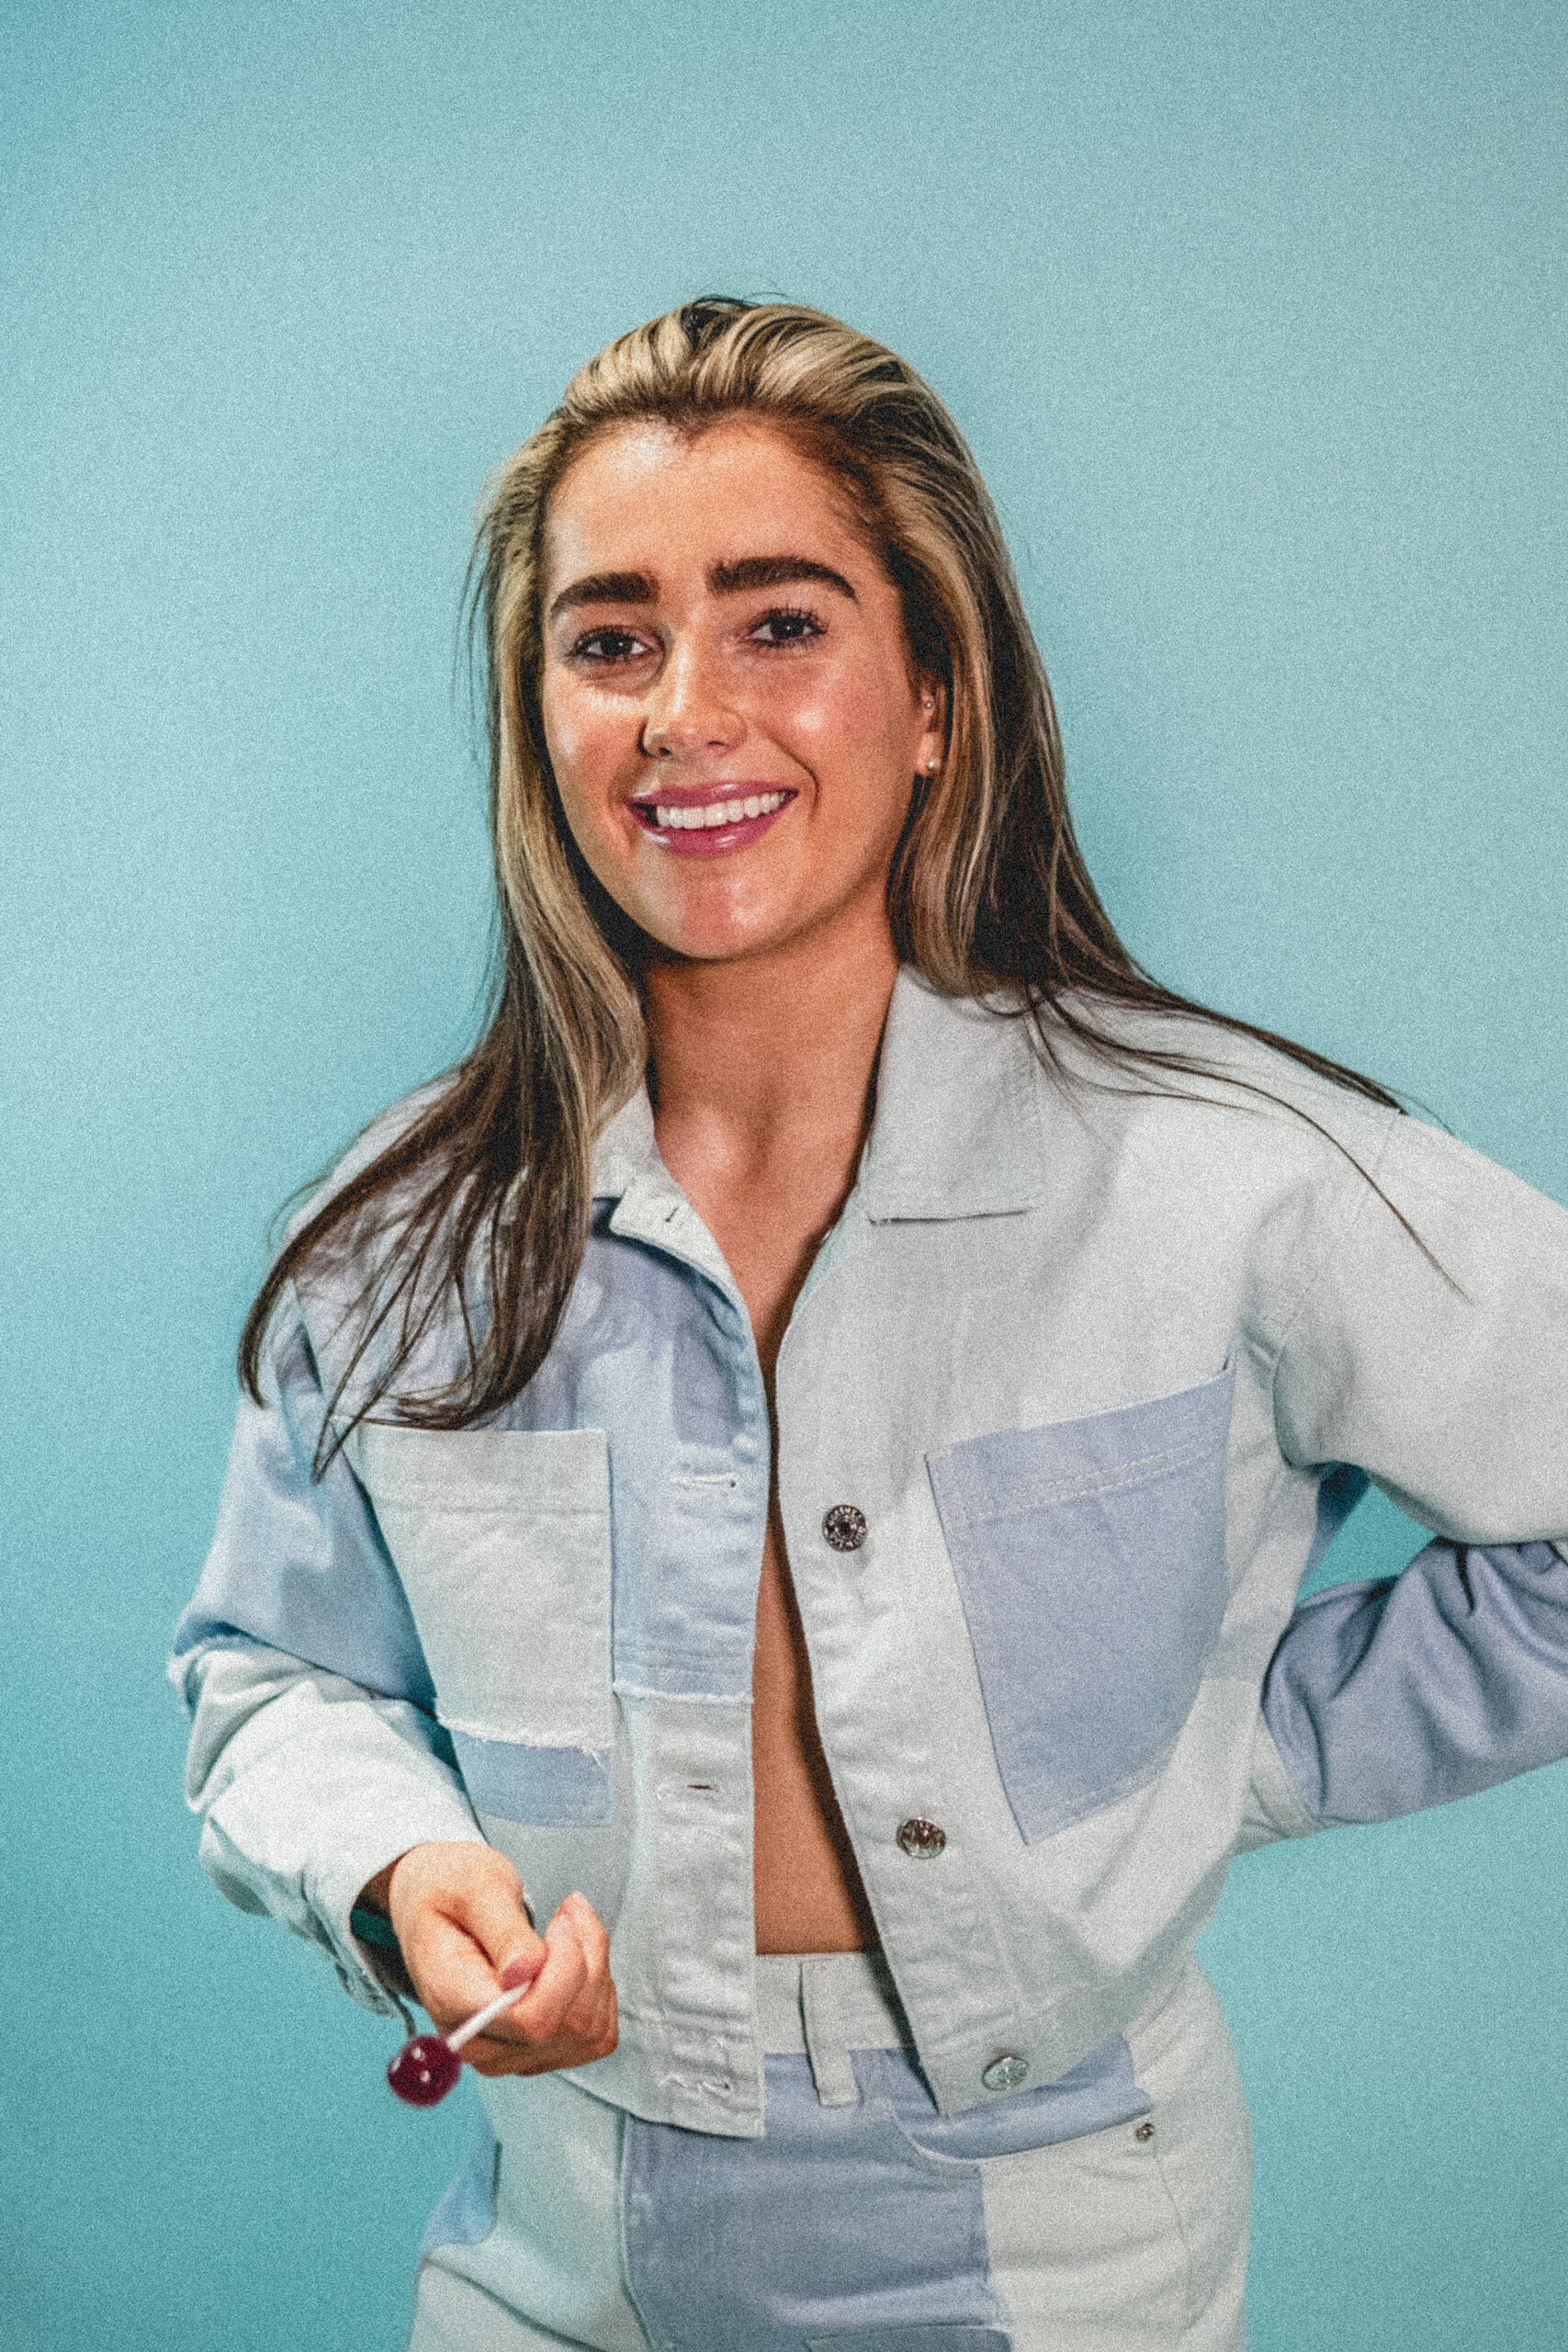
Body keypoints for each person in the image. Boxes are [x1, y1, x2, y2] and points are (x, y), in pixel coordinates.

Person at [172, 298, 1568, 2352]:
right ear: (538, 713)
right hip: (557, 2240)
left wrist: (1212, 1756)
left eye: (779, 623)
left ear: (933, 696)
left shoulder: (1224, 1173)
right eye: (610, 639)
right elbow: (270, 1671)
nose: (684, 713)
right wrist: (391, 1864)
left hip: (1061, 2233)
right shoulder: (399, 1237)